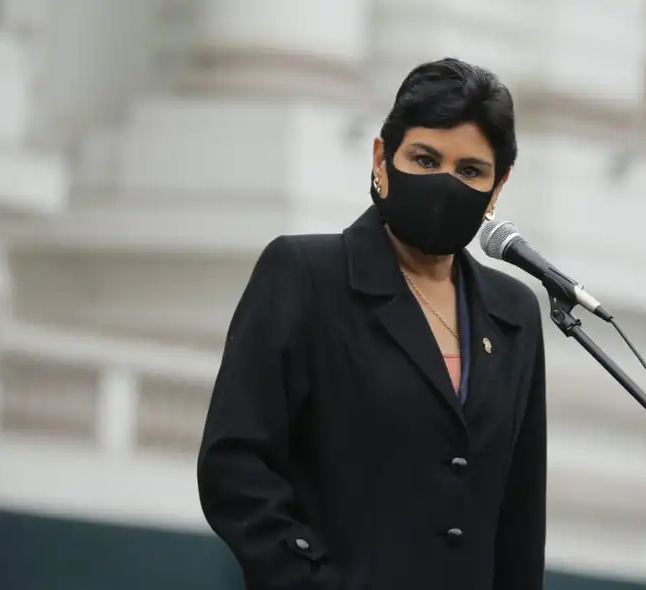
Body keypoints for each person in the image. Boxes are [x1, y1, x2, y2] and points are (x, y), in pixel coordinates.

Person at [197, 57, 547, 590]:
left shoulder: (513, 314)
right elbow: (235, 467)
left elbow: (519, 516)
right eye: (425, 159)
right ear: (383, 157)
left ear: (498, 187)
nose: (445, 183)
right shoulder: (305, 277)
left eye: (470, 171)